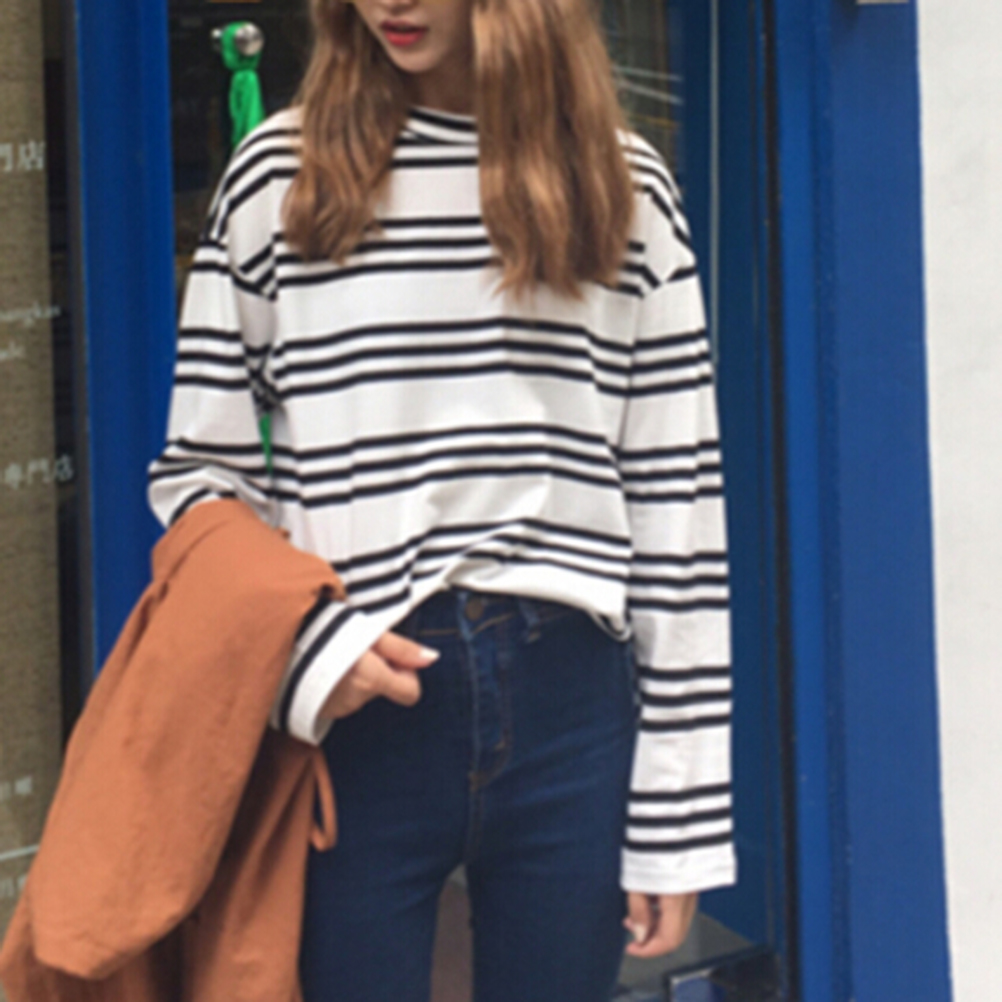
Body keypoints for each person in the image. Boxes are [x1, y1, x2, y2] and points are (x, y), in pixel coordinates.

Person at [148, 0, 736, 999]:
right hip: (356, 707)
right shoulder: (279, 177)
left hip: (571, 710)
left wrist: (678, 817)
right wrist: (309, 650)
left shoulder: (622, 185)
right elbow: (201, 477)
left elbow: (677, 508)